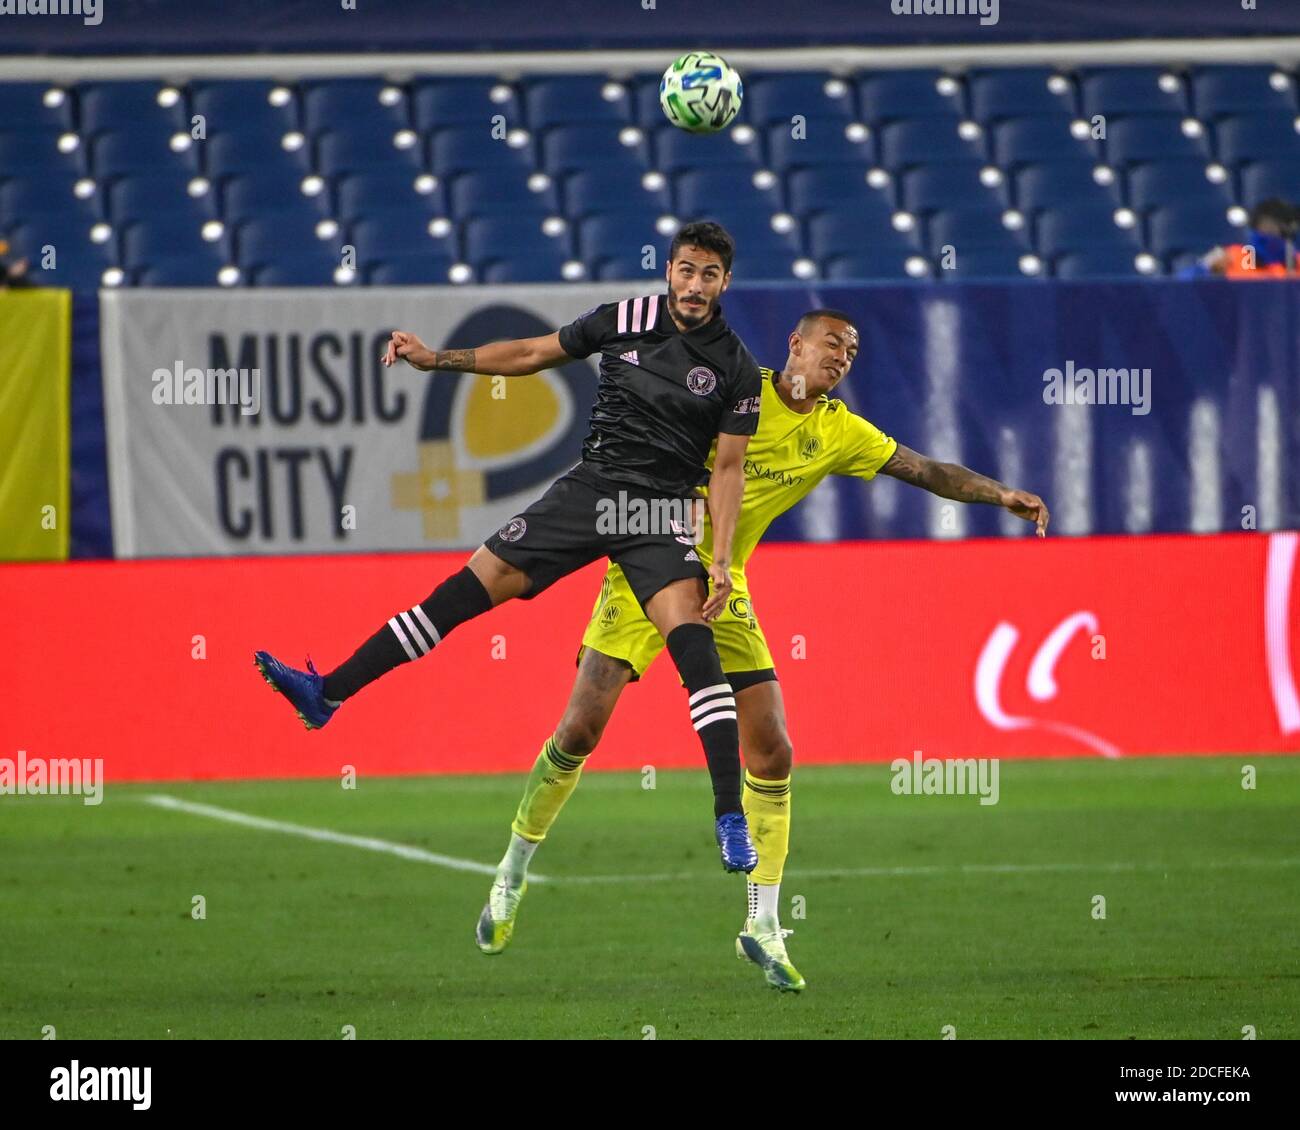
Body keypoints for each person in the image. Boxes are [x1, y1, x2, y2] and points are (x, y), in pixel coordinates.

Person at [474, 309, 1050, 991]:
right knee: (580, 728)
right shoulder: (733, 393)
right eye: (832, 343)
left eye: (853, 351)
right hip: (652, 568)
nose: (843, 357)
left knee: (772, 746)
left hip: (726, 585)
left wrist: (999, 493)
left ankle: (763, 924)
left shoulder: (838, 431)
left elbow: (923, 468)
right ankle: (512, 872)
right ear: (796, 345)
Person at [254, 222, 767, 870]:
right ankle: (327, 692)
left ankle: (729, 818)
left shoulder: (736, 367)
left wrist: (719, 560)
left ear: (725, 282)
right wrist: (438, 359)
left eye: (709, 275)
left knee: (693, 645)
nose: (695, 285)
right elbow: (530, 353)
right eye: (686, 270)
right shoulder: (624, 317)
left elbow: (727, 470)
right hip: (590, 490)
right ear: (669, 270)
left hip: (659, 510)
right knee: (463, 593)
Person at [1183, 198, 1300, 278]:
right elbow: (1182, 285)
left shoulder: (1296, 261)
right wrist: (1205, 268)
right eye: (1281, 223)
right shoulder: (1232, 257)